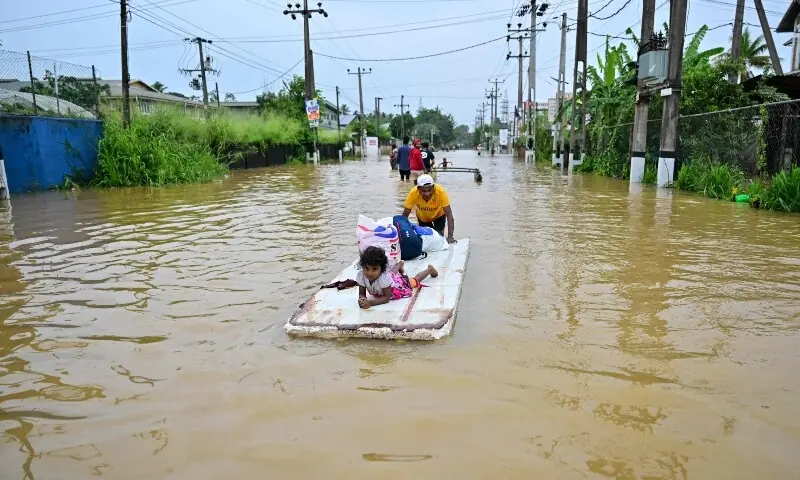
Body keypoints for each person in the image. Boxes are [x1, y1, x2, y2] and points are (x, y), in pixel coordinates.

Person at [356, 246, 438, 309]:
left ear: (381, 269)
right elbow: (362, 293)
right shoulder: (361, 276)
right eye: (366, 268)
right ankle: (399, 265)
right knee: (391, 274)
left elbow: (386, 298)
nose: (369, 273)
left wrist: (370, 303)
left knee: (414, 281)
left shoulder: (384, 278)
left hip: (394, 288)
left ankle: (429, 270)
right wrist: (362, 299)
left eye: (374, 269)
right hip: (388, 278)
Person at [402, 174, 457, 243]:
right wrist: (403, 235)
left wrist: (450, 237)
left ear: (433, 187)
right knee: (427, 238)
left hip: (439, 216)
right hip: (423, 218)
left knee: (439, 236)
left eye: (429, 190)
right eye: (424, 191)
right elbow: (404, 216)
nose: (427, 194)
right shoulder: (412, 193)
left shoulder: (440, 192)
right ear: (418, 189)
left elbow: (449, 215)